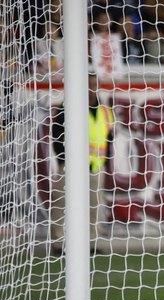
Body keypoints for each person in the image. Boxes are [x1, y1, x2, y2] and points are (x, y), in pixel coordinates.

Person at [50, 72, 114, 256]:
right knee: (62, 203)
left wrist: (106, 162)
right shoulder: (69, 106)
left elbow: (108, 137)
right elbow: (56, 134)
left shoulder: (104, 110)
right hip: (71, 165)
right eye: (88, 84)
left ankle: (91, 242)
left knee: (94, 206)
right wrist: (62, 159)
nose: (91, 88)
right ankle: (58, 243)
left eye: (94, 84)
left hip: (95, 166)